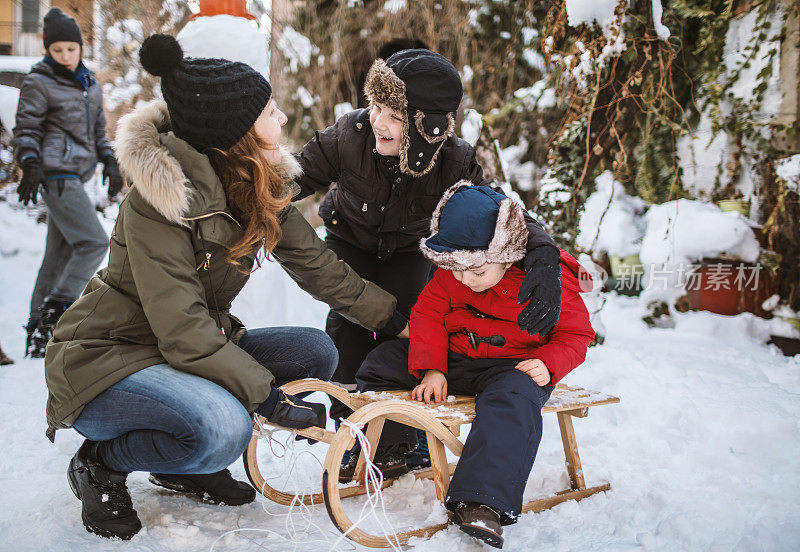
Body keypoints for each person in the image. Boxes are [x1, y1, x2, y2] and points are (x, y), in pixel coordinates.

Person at [44, 34, 405, 541]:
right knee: (224, 429)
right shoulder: (159, 201)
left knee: (313, 351)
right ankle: (101, 462)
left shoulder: (255, 182)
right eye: (270, 112)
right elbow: (183, 329)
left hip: (181, 352)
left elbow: (318, 266)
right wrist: (268, 400)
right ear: (235, 133)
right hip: (110, 359)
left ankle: (180, 462)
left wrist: (398, 321)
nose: (281, 120)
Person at [296, 49, 563, 441]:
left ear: (429, 130)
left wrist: (544, 254)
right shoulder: (348, 135)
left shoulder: (455, 161)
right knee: (349, 327)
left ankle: (402, 433)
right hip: (350, 239)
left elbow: (499, 210)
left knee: (409, 324)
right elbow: (294, 175)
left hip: (408, 251)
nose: (377, 121)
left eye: (395, 117)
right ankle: (350, 428)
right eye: (375, 107)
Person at [353, 182, 596, 549]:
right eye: (457, 270)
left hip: (514, 368)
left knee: (512, 403)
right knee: (383, 362)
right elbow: (428, 314)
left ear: (508, 252)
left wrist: (549, 362)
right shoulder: (457, 271)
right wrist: (433, 367)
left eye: (476, 272)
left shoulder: (550, 280)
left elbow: (577, 334)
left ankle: (482, 501)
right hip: (457, 359)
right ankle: (391, 448)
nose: (465, 279)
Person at [12, 8, 124, 358]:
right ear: (48, 50)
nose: (64, 56)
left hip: (76, 173)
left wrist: (109, 159)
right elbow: (26, 129)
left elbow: (96, 133)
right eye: (57, 50)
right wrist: (29, 162)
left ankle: (37, 331)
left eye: (70, 49)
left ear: (80, 47)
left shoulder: (89, 84)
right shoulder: (38, 81)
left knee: (57, 256)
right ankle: (57, 314)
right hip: (55, 174)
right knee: (93, 242)